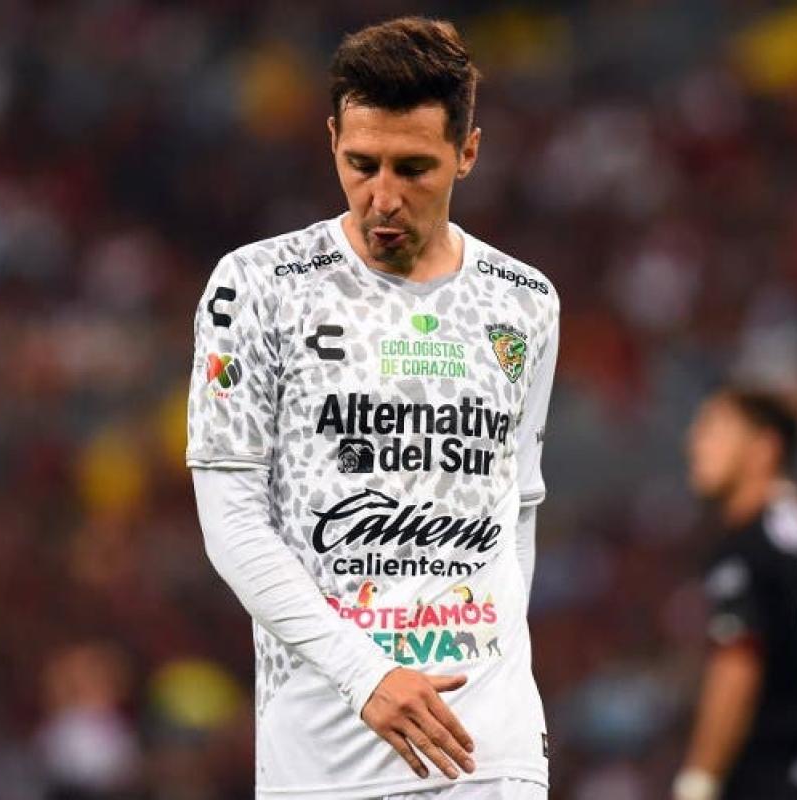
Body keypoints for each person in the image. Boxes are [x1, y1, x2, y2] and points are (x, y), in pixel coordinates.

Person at [186, 17, 559, 800]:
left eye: (414, 168)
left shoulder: (523, 302)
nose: (382, 198)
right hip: (323, 754)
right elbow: (231, 521)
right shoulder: (256, 287)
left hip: (486, 751)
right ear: (331, 140)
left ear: (467, 152)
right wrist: (366, 675)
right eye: (361, 164)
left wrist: (502, 691)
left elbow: (516, 507)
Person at [676, 388, 797, 800]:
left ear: (764, 448)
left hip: (765, 779)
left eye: (713, 430)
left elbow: (737, 663)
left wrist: (698, 779)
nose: (694, 445)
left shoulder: (752, 545)